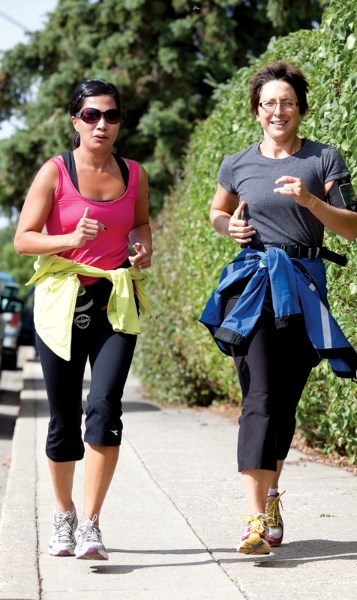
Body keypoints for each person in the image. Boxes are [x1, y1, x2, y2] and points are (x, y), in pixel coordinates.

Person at [200, 61, 357, 555]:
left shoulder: (324, 159)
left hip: (305, 292)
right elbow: (217, 212)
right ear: (256, 111)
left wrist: (311, 201)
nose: (278, 110)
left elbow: (351, 227)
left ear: (300, 109)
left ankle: (271, 496)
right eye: (269, 102)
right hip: (253, 291)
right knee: (260, 398)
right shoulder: (238, 163)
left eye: (287, 102)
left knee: (283, 404)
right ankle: (252, 518)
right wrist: (231, 228)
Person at [14, 78, 152, 561]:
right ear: (75, 120)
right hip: (62, 299)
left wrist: (142, 247)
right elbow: (24, 240)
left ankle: (91, 523)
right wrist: (70, 238)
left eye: (111, 115)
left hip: (115, 298)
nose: (101, 124)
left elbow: (139, 222)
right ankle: (63, 513)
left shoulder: (134, 173)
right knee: (62, 418)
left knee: (105, 406)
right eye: (91, 115)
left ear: (119, 122)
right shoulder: (54, 173)